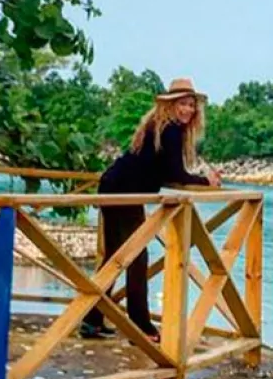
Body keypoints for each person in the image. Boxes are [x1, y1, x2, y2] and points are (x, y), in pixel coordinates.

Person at [81, 78, 221, 341]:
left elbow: (163, 169)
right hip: (124, 191)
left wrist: (196, 178)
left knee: (115, 257)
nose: (188, 110)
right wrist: (206, 181)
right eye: (183, 104)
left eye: (191, 105)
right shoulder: (169, 129)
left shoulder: (160, 125)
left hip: (116, 185)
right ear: (171, 104)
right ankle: (140, 326)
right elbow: (174, 172)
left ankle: (92, 320)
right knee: (135, 258)